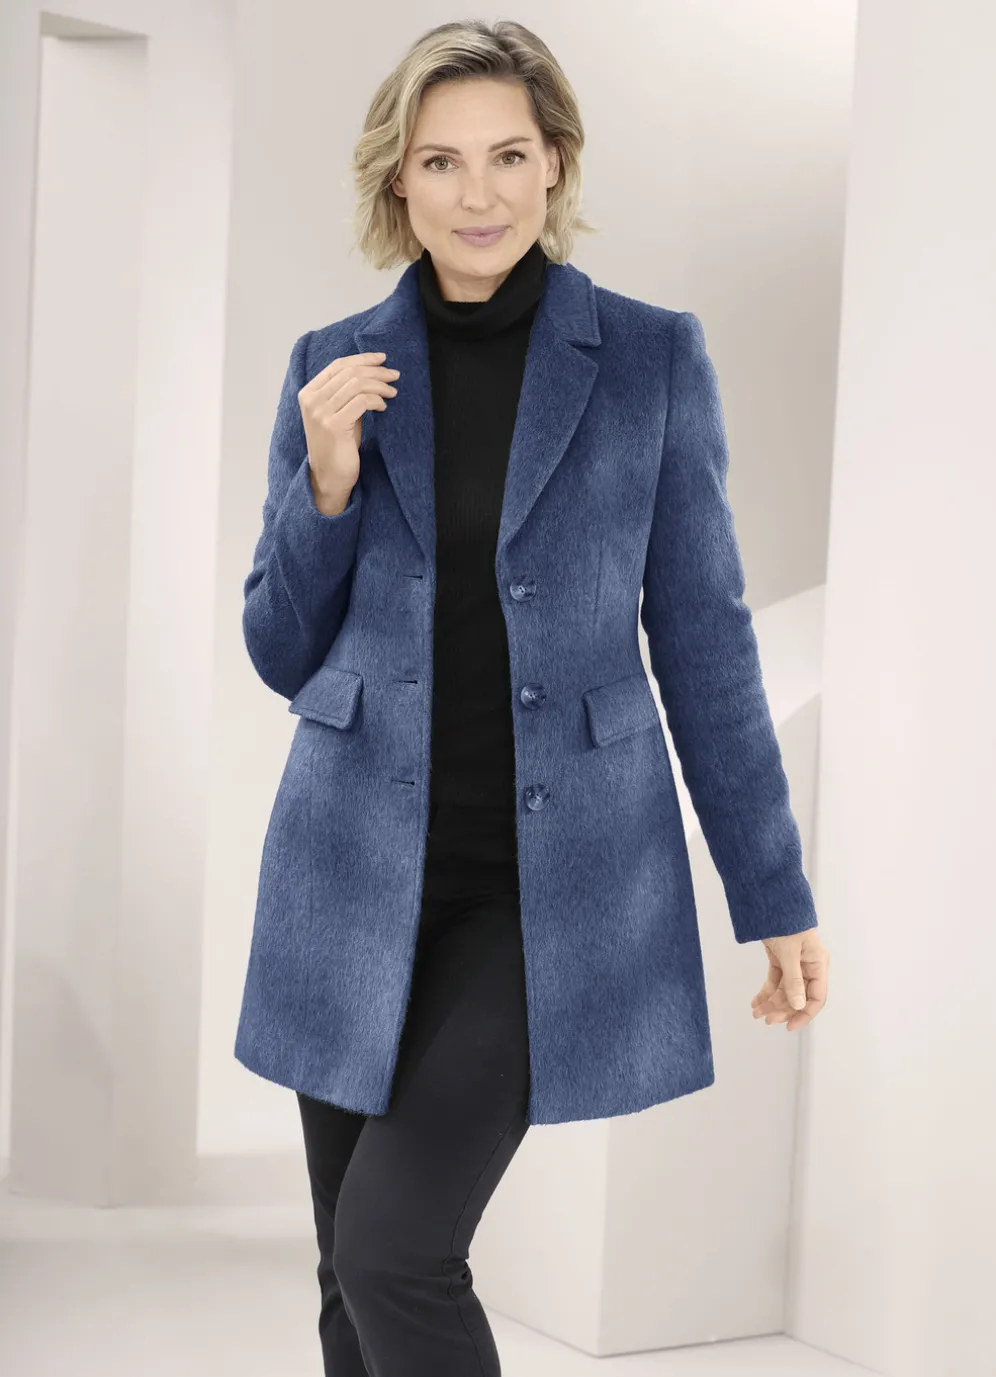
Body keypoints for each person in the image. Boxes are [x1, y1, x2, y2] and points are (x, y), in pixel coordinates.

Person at [236, 19, 830, 1376]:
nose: (479, 194)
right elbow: (278, 650)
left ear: (556, 162)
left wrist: (774, 893)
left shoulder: (649, 360)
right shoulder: (334, 367)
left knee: (395, 1251)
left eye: (509, 155)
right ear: (398, 179)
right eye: (442, 162)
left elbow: (706, 641)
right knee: (351, 1279)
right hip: (350, 878)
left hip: (550, 887)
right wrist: (324, 484)